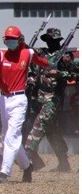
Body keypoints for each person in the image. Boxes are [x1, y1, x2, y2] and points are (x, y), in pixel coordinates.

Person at [0, 25, 50, 183]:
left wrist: (51, 63)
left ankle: (5, 171)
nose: (10, 42)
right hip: (4, 99)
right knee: (10, 137)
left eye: (13, 39)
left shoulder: (28, 53)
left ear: (19, 40)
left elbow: (44, 63)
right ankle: (27, 167)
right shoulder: (1, 55)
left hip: (18, 99)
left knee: (11, 136)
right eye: (7, 39)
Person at [24, 27, 78, 172]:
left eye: (54, 40)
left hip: (54, 99)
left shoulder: (65, 56)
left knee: (39, 125)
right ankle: (64, 163)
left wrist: (59, 74)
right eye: (49, 40)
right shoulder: (41, 54)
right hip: (41, 97)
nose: (51, 43)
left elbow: (75, 75)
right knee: (51, 131)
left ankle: (27, 159)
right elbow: (32, 65)